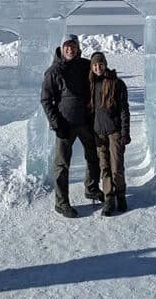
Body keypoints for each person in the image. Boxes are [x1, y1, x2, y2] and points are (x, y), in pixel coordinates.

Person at [41, 34, 103, 218]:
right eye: (67, 46)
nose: (70, 49)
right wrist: (56, 123)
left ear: (78, 48)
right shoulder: (53, 71)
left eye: (73, 46)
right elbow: (46, 100)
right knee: (62, 165)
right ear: (61, 48)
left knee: (93, 157)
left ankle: (91, 188)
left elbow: (99, 73)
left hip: (85, 122)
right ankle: (61, 203)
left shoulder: (85, 66)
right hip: (65, 125)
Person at [88, 51, 131, 217]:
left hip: (114, 132)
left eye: (100, 64)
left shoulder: (117, 83)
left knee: (116, 167)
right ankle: (109, 198)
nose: (98, 67)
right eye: (95, 65)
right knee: (104, 167)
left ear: (105, 64)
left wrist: (124, 132)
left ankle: (120, 194)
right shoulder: (91, 84)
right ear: (92, 67)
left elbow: (124, 110)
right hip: (99, 133)